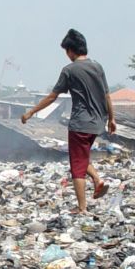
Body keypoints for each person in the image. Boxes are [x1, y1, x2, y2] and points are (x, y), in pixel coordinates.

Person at [21, 28, 116, 214]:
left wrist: (31, 112)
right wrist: (112, 119)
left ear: (71, 50)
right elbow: (107, 96)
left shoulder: (69, 70)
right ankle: (97, 180)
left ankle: (82, 208)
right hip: (97, 123)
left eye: (67, 51)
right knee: (81, 157)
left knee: (77, 168)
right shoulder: (97, 67)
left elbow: (52, 97)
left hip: (80, 123)